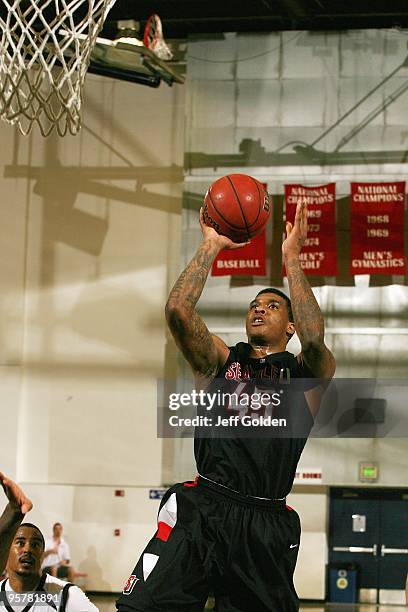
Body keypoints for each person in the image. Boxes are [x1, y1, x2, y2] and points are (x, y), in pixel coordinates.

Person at [116, 199, 335, 612]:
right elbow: (179, 310)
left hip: (265, 520)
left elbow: (313, 339)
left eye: (273, 305)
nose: (258, 307)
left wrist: (292, 259)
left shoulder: (304, 373)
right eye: (254, 303)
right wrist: (211, 244)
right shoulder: (221, 360)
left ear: (289, 325)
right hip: (204, 509)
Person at [0, 472, 98, 612]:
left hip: (56, 571)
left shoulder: (67, 595)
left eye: (35, 545)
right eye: (20, 543)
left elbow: (66, 561)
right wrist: (13, 513)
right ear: (6, 550)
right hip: (49, 567)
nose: (27, 549)